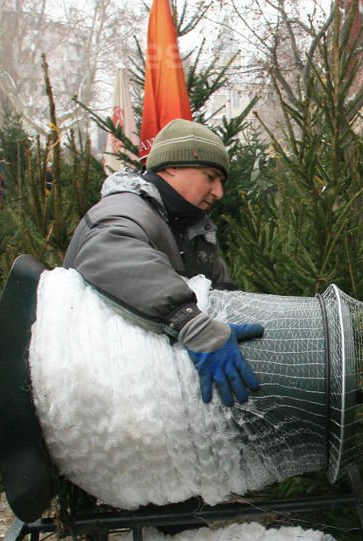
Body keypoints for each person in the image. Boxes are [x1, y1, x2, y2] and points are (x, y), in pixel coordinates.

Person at [64, 118, 263, 408]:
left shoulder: (193, 227)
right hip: (100, 393)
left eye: (222, 181)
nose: (219, 192)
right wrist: (194, 326)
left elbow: (222, 293)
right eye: (210, 177)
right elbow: (111, 251)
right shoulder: (125, 209)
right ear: (170, 167)